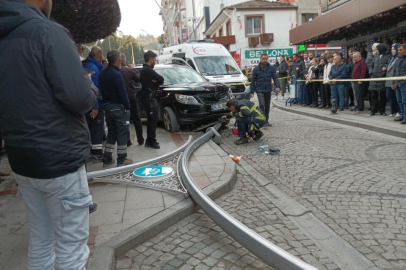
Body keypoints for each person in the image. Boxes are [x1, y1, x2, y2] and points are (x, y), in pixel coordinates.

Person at [0, 0, 98, 268]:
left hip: (21, 158)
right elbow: (79, 98)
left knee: (42, 239)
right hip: (59, 157)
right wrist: (91, 87)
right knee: (71, 247)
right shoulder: (47, 32)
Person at [99, 50, 133, 167]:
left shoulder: (102, 73)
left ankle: (107, 159)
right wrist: (127, 106)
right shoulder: (116, 74)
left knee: (112, 134)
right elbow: (122, 92)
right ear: (118, 60)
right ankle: (122, 160)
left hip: (107, 107)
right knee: (122, 133)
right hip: (118, 107)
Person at [139, 51, 164, 149]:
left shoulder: (146, 70)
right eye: (155, 60)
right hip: (149, 98)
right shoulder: (147, 70)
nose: (155, 62)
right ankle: (151, 141)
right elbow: (161, 79)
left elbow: (159, 80)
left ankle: (150, 140)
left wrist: (155, 81)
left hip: (149, 97)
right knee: (152, 120)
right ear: (151, 60)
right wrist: (156, 81)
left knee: (152, 120)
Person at [120, 53, 144, 145]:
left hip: (120, 100)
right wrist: (133, 69)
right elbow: (139, 79)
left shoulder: (115, 70)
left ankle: (127, 141)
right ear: (124, 60)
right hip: (131, 97)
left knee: (124, 121)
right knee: (136, 119)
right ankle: (140, 140)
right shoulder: (129, 70)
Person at [250, 54, 280, 126]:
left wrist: (277, 86)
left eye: (266, 59)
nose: (264, 60)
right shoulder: (256, 69)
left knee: (267, 106)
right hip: (259, 89)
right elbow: (253, 81)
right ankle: (262, 120)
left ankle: (266, 120)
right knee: (262, 105)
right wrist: (251, 91)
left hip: (268, 89)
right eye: (263, 59)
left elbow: (275, 78)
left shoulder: (271, 68)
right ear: (260, 59)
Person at [84, 68, 104, 162]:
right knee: (96, 129)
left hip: (88, 105)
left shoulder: (92, 66)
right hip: (94, 105)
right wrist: (95, 106)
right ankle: (96, 154)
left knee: (91, 129)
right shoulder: (93, 69)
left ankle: (91, 152)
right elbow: (94, 90)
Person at [369, 43, 390, 116]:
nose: (376, 50)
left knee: (382, 96)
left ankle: (382, 110)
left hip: (382, 78)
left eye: (377, 49)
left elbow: (388, 65)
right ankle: (373, 110)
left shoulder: (387, 57)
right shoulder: (375, 56)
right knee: (374, 95)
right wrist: (371, 72)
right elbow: (371, 66)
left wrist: (385, 70)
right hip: (374, 78)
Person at [393, 44, 406, 124]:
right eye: (398, 50)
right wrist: (393, 82)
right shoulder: (397, 59)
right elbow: (394, 72)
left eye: (400, 50)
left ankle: (405, 117)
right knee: (399, 101)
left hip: (404, 83)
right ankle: (402, 115)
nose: (399, 51)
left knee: (405, 101)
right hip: (397, 83)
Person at [385, 45, 400, 117]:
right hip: (389, 81)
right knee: (389, 96)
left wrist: (394, 82)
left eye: (394, 49)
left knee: (397, 97)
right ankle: (393, 111)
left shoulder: (398, 58)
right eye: (391, 49)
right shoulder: (391, 58)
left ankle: (398, 111)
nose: (392, 51)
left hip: (394, 81)